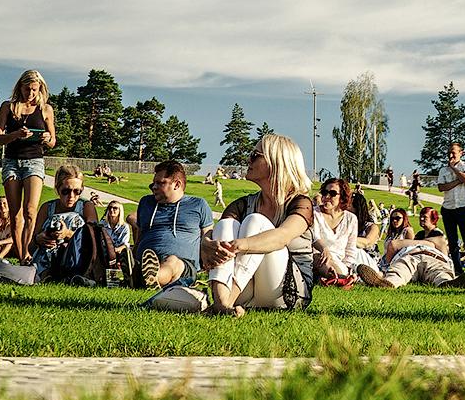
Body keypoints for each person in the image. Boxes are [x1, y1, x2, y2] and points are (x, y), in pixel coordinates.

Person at [202, 135, 314, 316]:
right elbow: (218, 231)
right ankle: (222, 302)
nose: (249, 159)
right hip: (247, 289)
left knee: (256, 221)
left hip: (286, 290)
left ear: (275, 162)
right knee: (226, 224)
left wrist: (240, 245)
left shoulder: (301, 203)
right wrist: (206, 243)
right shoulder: (242, 204)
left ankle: (222, 303)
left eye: (255, 155)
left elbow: (282, 236)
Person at [0, 69, 57, 262]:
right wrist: (15, 135)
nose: (30, 94)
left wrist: (46, 138)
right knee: (15, 213)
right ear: (20, 87)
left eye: (34, 90)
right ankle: (22, 255)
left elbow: (53, 140)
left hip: (34, 160)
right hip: (12, 160)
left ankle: (27, 251)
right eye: (27, 89)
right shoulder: (8, 107)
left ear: (40, 90)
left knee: (30, 210)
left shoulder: (46, 109)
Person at [135, 159, 214, 291]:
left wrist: (208, 264)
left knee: (172, 262)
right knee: (141, 262)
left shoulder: (198, 205)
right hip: (146, 258)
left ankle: (153, 278)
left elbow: (207, 237)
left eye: (160, 183)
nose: (154, 187)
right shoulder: (146, 203)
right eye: (152, 184)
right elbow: (140, 235)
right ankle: (139, 272)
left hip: (183, 264)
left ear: (177, 184)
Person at [356, 206, 465, 290]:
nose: (421, 219)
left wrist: (412, 244)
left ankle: (448, 283)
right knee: (400, 270)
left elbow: (440, 244)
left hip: (432, 257)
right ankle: (386, 283)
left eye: (425, 217)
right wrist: (425, 243)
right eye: (421, 216)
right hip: (411, 256)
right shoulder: (420, 235)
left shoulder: (438, 234)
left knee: (439, 272)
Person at [29, 164, 98, 280]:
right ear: (57, 189)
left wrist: (68, 234)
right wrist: (39, 239)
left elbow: (94, 240)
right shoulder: (47, 208)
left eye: (77, 191)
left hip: (76, 257)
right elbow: (30, 246)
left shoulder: (86, 207)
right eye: (66, 191)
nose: (71, 196)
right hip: (46, 257)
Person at [435, 141, 465, 275]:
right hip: (448, 208)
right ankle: (457, 270)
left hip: (463, 206)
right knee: (452, 241)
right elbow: (441, 187)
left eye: (453, 152)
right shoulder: (442, 170)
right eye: (449, 153)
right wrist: (458, 180)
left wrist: (454, 169)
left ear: (461, 153)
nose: (451, 155)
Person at [313, 177, 359, 282]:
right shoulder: (314, 214)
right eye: (325, 193)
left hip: (339, 261)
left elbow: (350, 249)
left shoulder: (351, 219)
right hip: (318, 256)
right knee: (322, 260)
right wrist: (324, 249)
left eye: (333, 193)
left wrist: (347, 266)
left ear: (342, 197)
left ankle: (338, 277)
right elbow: (314, 237)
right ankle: (341, 278)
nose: (327, 196)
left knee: (340, 268)